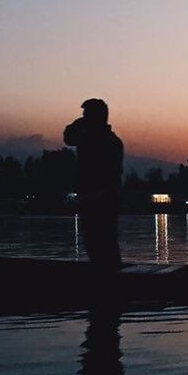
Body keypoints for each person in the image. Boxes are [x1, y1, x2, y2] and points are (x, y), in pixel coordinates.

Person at [63, 98, 124, 264]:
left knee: (101, 246)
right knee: (103, 246)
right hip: (100, 199)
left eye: (86, 115)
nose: (83, 118)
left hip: (99, 199)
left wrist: (80, 124)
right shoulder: (110, 140)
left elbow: (68, 137)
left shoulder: (96, 140)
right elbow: (68, 138)